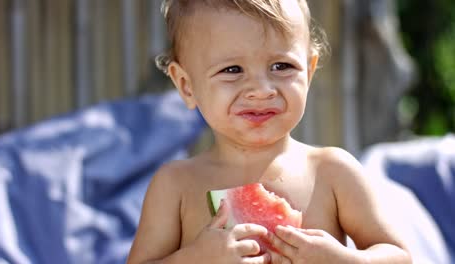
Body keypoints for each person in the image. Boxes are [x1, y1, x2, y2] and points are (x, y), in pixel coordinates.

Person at [127, 0, 412, 263]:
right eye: (232, 69)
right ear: (186, 85)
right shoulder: (174, 185)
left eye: (282, 66)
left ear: (309, 72)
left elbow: (399, 256)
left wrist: (348, 261)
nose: (261, 90)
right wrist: (194, 259)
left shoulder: (334, 171)